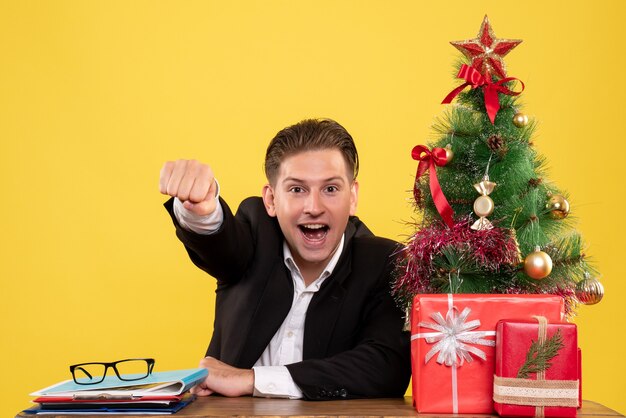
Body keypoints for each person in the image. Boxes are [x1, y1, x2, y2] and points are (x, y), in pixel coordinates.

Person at [159, 118, 410, 400]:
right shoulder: (255, 233)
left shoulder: (386, 263)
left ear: (352, 197)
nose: (313, 207)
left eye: (330, 189)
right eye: (296, 189)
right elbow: (222, 245)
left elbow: (386, 366)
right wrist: (200, 209)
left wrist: (251, 380)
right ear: (271, 200)